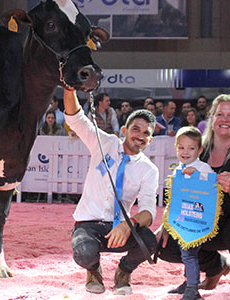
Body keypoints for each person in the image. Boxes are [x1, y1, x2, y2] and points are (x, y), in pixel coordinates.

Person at [158, 94, 230, 300]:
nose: (225, 119)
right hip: (206, 223)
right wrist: (168, 221)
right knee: (163, 243)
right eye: (220, 114)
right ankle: (214, 267)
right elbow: (183, 191)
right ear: (211, 118)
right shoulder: (200, 149)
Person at [64, 89, 159, 296]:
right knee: (84, 253)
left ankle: (124, 271)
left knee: (149, 243)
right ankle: (93, 270)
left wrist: (129, 225)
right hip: (89, 224)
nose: (140, 136)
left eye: (146, 133)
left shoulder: (149, 170)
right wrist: (69, 88)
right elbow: (75, 118)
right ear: (124, 130)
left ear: (150, 140)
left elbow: (148, 212)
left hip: (120, 227)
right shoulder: (104, 143)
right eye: (136, 129)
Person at [168, 126, 214, 300]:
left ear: (200, 150)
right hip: (183, 218)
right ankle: (189, 283)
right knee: (185, 253)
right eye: (181, 147)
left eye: (191, 148)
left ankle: (193, 288)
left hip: (198, 221)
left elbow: (211, 187)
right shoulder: (178, 169)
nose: (185, 152)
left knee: (189, 254)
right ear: (176, 148)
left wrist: (197, 176)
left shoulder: (203, 168)